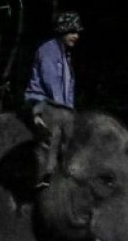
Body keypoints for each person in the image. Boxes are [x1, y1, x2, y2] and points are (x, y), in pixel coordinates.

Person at [23, 10, 83, 187]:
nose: (76, 36)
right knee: (56, 130)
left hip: (60, 105)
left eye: (77, 32)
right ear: (63, 31)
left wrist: (70, 110)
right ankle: (46, 175)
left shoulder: (66, 54)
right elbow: (52, 83)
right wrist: (64, 110)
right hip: (42, 102)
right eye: (72, 32)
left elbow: (68, 88)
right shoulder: (48, 50)